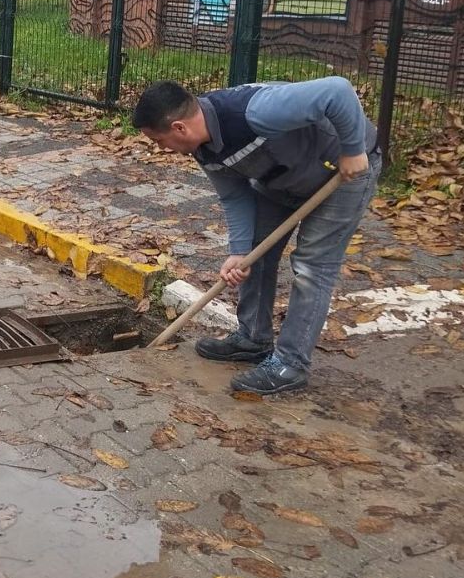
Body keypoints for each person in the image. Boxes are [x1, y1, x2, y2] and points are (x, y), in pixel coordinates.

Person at [131, 77, 381, 394]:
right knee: (254, 253)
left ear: (179, 128)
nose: (162, 149)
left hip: (342, 172)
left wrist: (353, 148)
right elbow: (235, 197)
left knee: (311, 266)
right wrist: (238, 252)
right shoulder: (203, 148)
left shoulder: (255, 111)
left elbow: (338, 91)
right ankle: (253, 339)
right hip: (279, 177)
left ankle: (290, 364)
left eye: (159, 141)